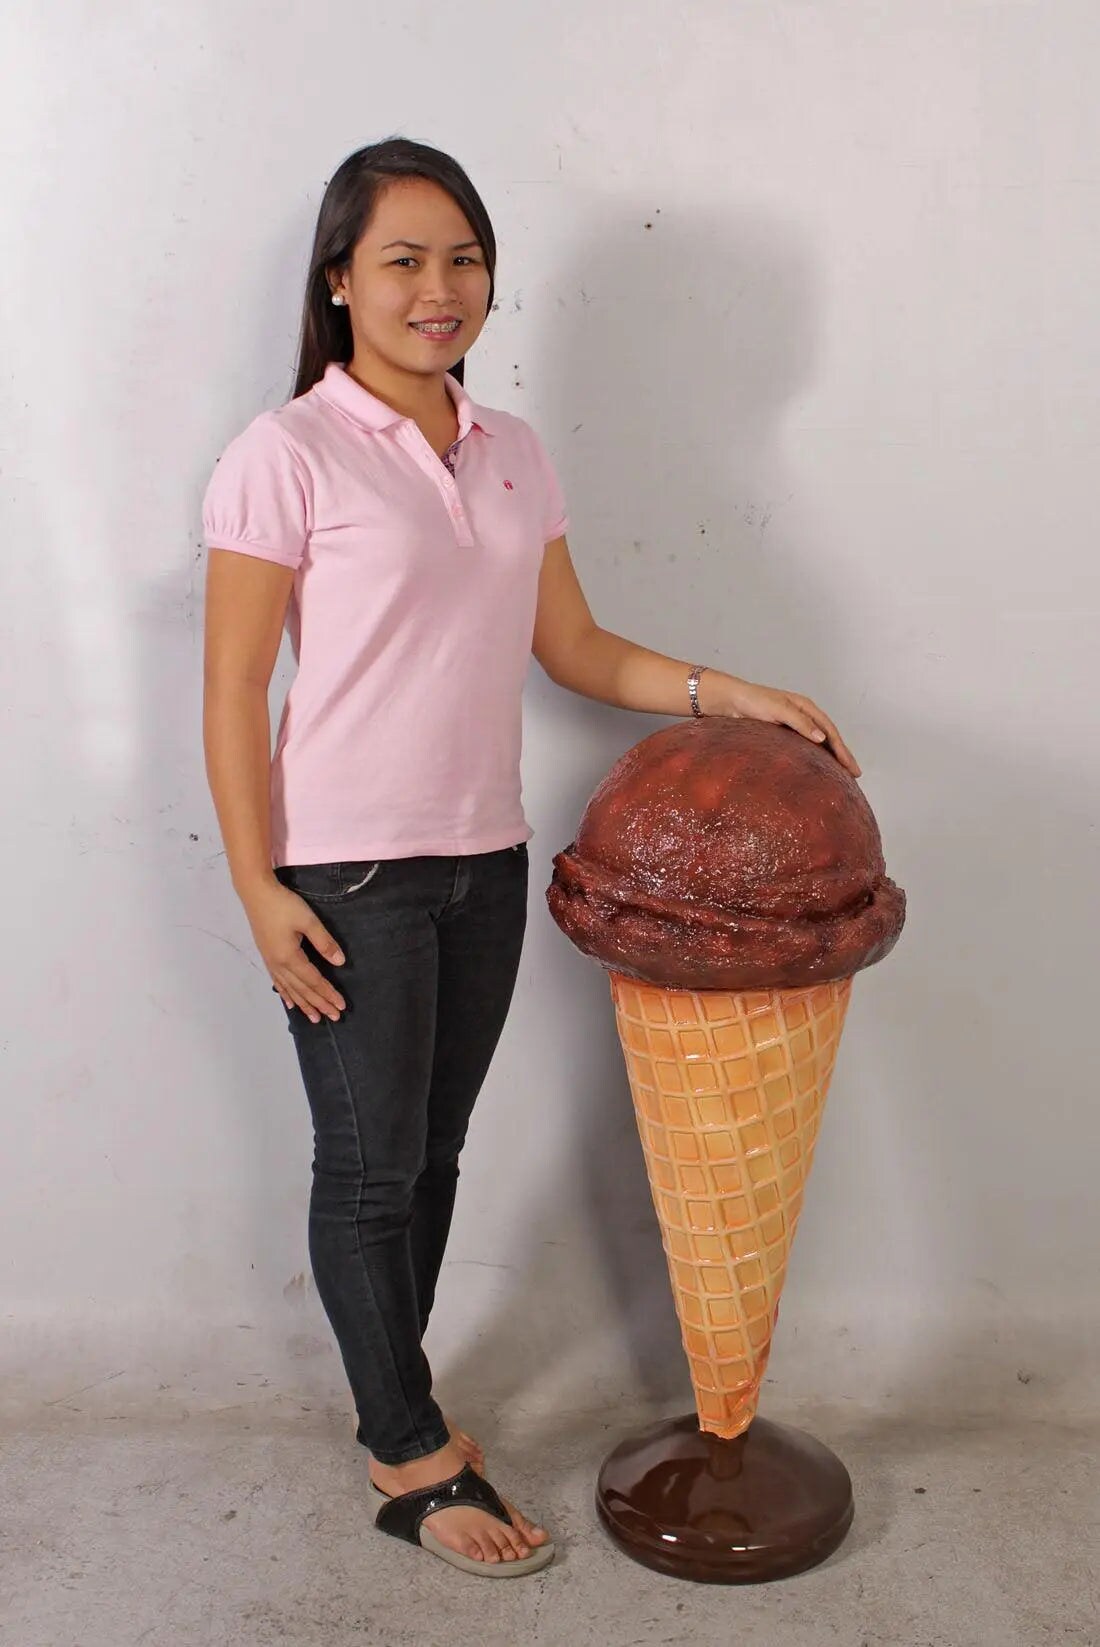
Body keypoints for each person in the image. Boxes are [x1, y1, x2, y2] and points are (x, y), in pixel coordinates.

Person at [200, 136, 861, 1580]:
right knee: (368, 1171)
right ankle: (406, 1453)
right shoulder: (285, 453)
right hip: (345, 874)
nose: (439, 287)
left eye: (465, 259)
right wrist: (256, 888)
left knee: (429, 1156)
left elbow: (574, 647)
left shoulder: (511, 451)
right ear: (339, 280)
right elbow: (235, 689)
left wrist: (729, 692)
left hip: (483, 863)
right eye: (403, 260)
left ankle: (403, 1402)